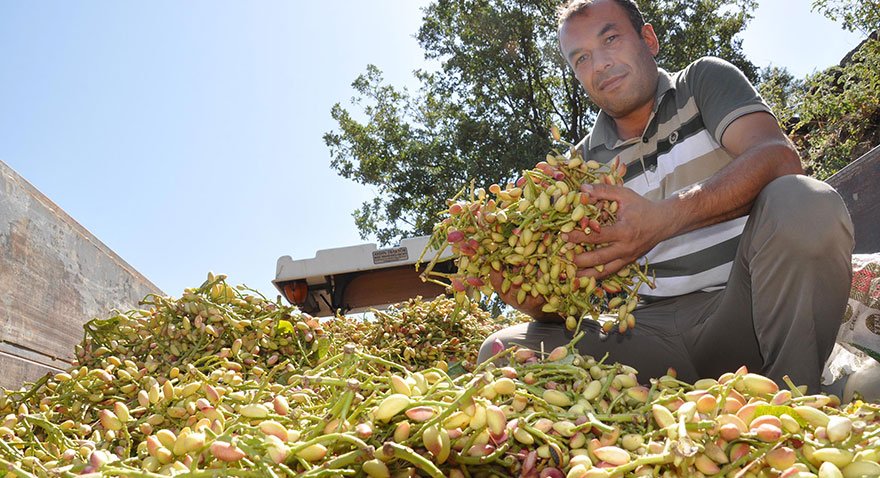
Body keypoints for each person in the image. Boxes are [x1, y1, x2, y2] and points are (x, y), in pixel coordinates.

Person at [478, 0, 854, 393]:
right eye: (581, 59)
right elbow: (571, 294)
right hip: (641, 336)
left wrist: (664, 218)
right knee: (501, 351)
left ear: (649, 39)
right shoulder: (577, 167)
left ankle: (794, 402)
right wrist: (530, 297)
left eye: (610, 39)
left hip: (745, 317)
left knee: (805, 201)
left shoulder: (701, 83)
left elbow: (777, 157)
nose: (600, 64)